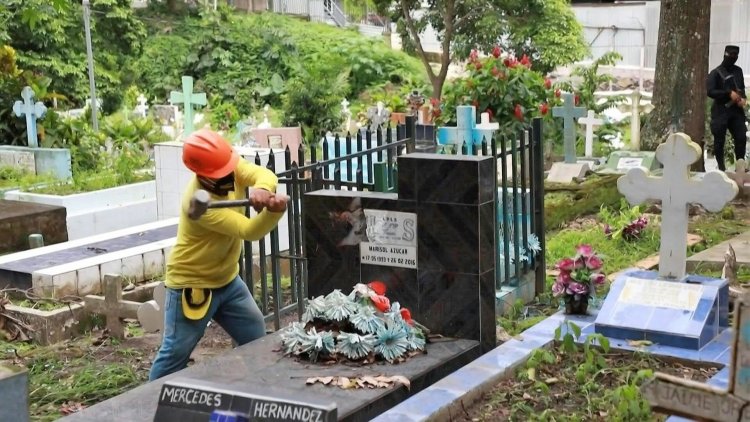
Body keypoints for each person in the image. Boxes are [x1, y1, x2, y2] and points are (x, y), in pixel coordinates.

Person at [149, 129, 288, 381]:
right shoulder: (198, 203)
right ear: (204, 172)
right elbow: (248, 230)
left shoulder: (229, 166)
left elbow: (261, 173)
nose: (230, 170)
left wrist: (263, 188)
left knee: (255, 337)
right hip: (193, 285)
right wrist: (274, 212)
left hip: (228, 281)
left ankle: (264, 392)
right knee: (174, 356)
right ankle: (147, 409)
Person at [707, 45, 748, 171]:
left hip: (736, 111)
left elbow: (741, 89)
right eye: (731, 55)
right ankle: (721, 168)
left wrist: (742, 99)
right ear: (725, 54)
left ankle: (740, 167)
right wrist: (728, 93)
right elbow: (710, 91)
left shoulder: (738, 71)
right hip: (720, 111)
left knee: (741, 137)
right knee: (719, 141)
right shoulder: (715, 73)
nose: (733, 57)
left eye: (736, 55)